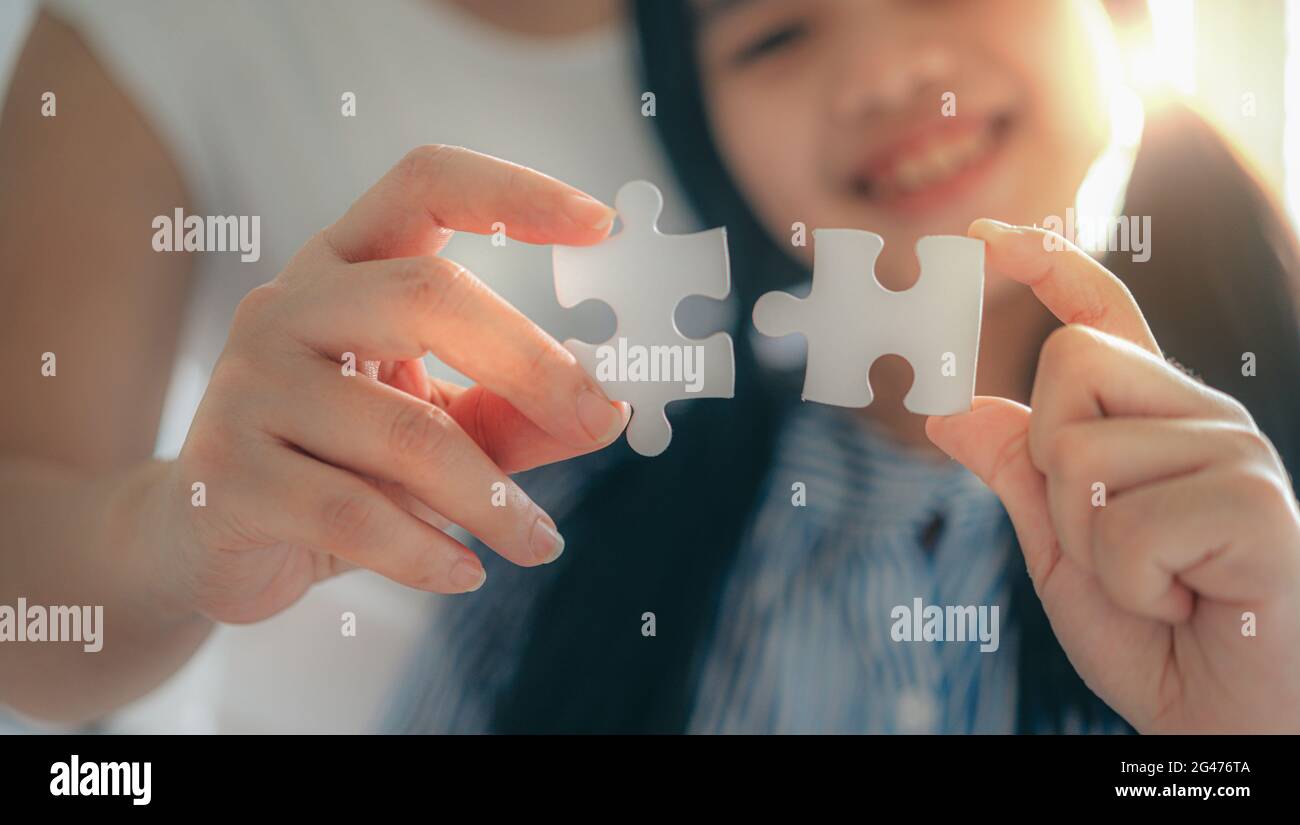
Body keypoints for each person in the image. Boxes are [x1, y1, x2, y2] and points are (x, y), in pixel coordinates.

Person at [4, 0, 1299, 734]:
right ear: (701, 136)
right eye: (777, 34)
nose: (887, 71)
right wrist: (168, 525)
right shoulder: (565, 533)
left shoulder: (1264, 568)